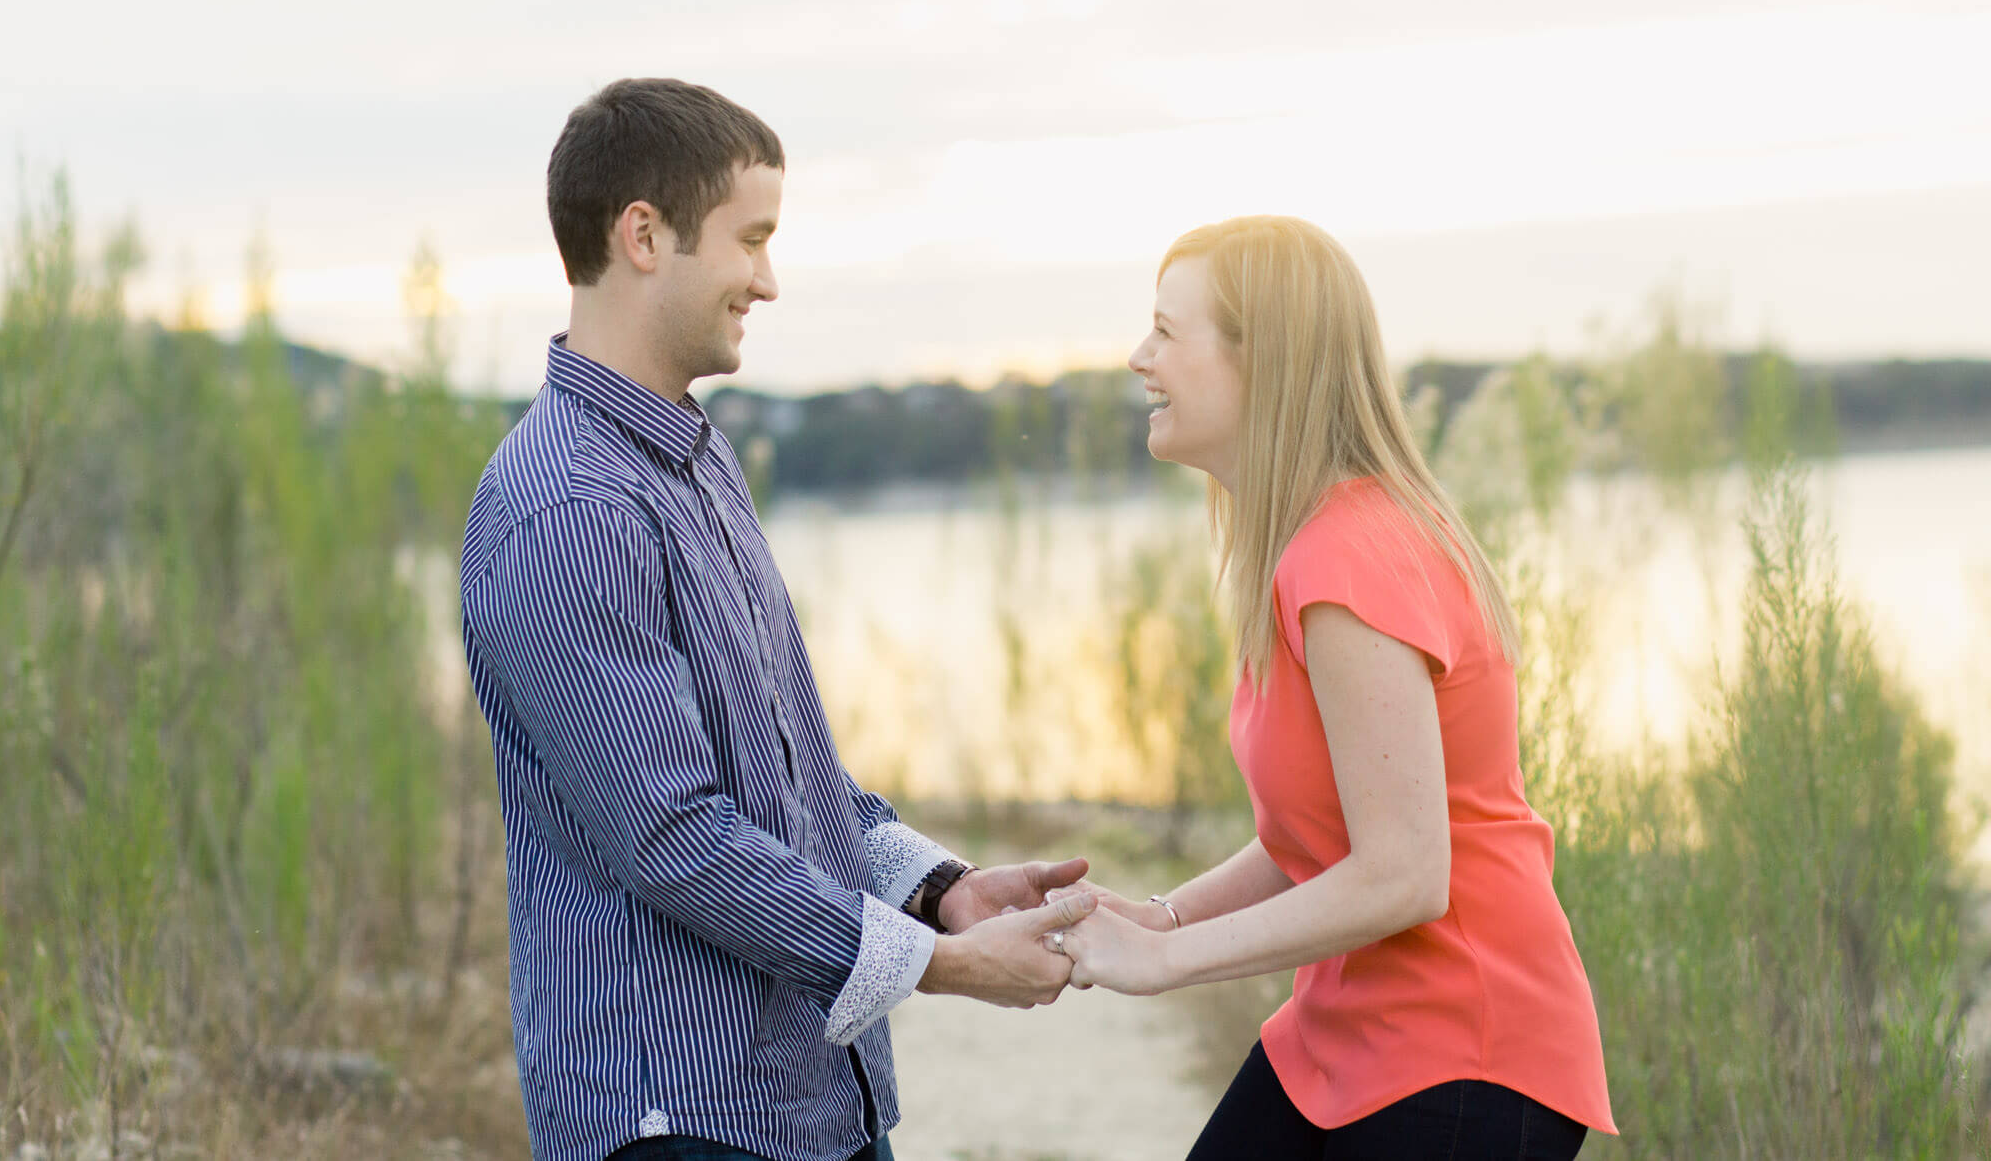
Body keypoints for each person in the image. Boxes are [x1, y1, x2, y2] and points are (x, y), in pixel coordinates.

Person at [458, 78, 1095, 1161]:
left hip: (805, 1095)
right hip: (677, 1121)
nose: (768, 279)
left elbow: (786, 779)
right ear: (644, 235)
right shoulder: (565, 510)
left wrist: (937, 893)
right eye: (749, 241)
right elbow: (676, 840)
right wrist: (935, 969)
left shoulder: (694, 464)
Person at [1059, 216, 1616, 1160]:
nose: (1138, 356)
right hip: (1344, 1034)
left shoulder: (1350, 555)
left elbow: (1404, 871)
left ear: (1261, 361)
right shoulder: (1308, 547)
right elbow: (1311, 839)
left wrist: (1163, 962)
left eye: (1166, 330)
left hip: (1466, 1057)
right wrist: (1158, 916)